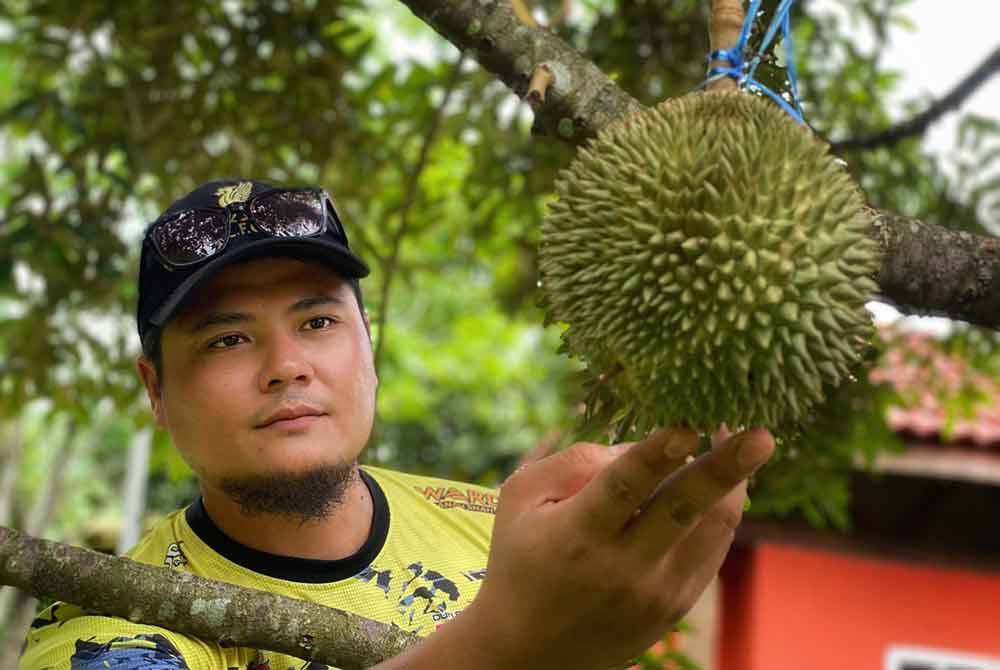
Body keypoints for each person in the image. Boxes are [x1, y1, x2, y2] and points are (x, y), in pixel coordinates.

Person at [19, 179, 774, 670]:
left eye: (316, 320)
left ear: (369, 345)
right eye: (228, 338)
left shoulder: (498, 530)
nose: (287, 365)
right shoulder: (107, 629)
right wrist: (503, 642)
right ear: (155, 389)